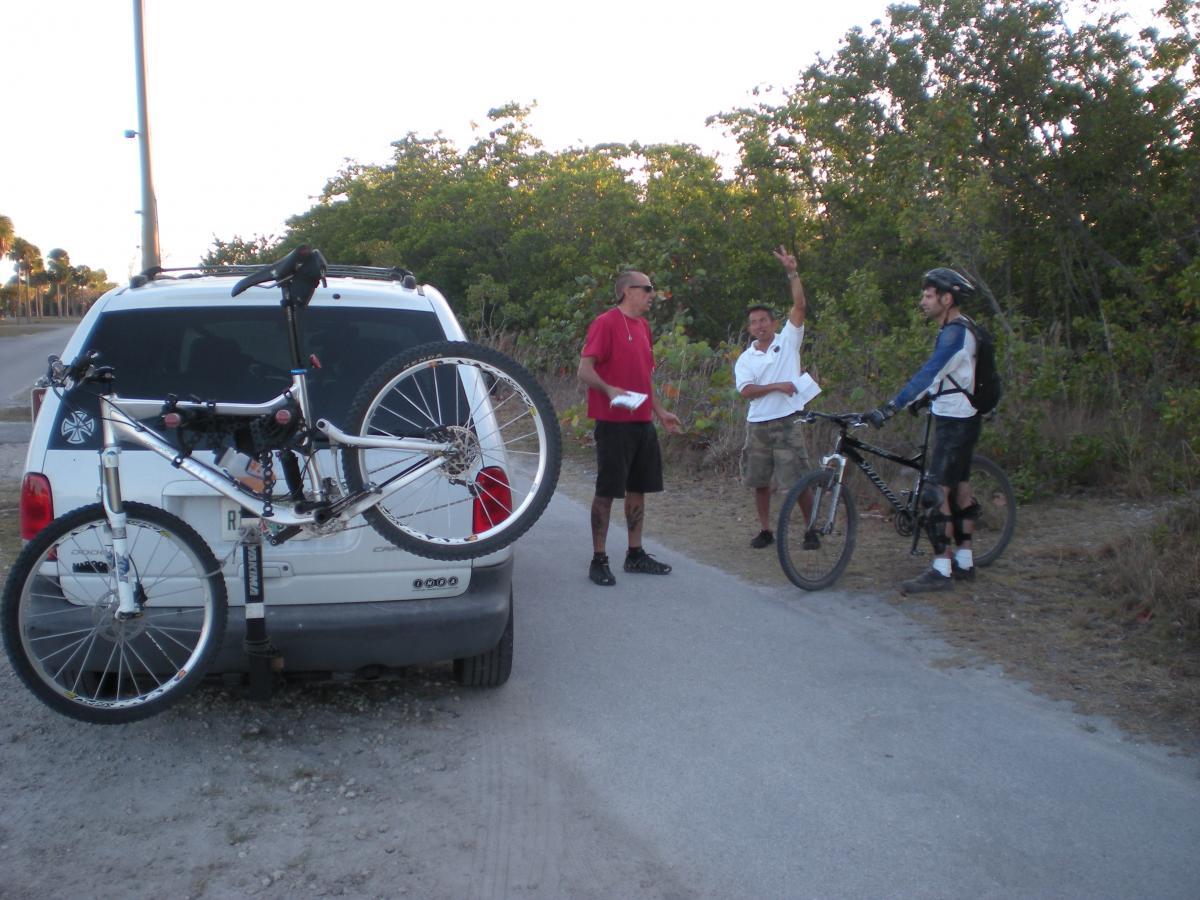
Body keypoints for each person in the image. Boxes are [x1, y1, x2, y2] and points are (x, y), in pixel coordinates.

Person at [862, 267, 983, 594]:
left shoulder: (954, 334)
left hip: (955, 422)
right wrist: (926, 400)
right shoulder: (962, 329)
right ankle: (965, 561)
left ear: (947, 298)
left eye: (929, 296)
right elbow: (951, 377)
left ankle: (942, 570)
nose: (923, 301)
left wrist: (891, 407)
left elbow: (929, 373)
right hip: (962, 416)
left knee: (935, 493)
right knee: (960, 486)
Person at [577, 271, 683, 586]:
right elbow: (585, 368)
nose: (652, 294)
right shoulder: (606, 322)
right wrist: (609, 390)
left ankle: (635, 554)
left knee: (638, 489)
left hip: (642, 423)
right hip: (613, 423)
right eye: (647, 288)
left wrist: (660, 411)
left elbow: (643, 374)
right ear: (627, 291)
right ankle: (599, 559)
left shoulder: (644, 326)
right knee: (607, 491)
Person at [733, 246, 816, 549]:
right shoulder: (746, 358)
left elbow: (800, 306)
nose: (760, 325)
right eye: (754, 322)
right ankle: (766, 530)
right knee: (760, 481)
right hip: (758, 425)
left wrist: (792, 272)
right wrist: (777, 386)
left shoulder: (788, 341)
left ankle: (810, 529)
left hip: (786, 422)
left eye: (764, 320)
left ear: (772, 321)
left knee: (797, 478)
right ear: (749, 327)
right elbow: (745, 391)